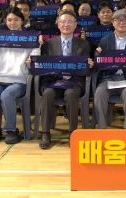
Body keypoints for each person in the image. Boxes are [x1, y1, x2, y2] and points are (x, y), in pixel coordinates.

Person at [0, 7, 41, 144]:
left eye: (16, 20)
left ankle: (11, 130)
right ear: (5, 21)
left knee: (6, 95)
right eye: (9, 20)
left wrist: (32, 60)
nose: (12, 23)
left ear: (22, 21)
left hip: (19, 80)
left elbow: (34, 59)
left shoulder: (31, 38)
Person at [39, 10, 92, 149]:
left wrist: (89, 64)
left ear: (75, 25)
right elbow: (44, 66)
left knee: (70, 93)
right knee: (47, 94)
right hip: (53, 81)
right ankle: (45, 133)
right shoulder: (48, 44)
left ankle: (72, 133)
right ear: (58, 24)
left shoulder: (84, 44)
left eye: (69, 22)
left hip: (74, 81)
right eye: (63, 21)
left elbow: (85, 67)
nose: (66, 24)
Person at [93, 9, 126, 129]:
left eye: (125, 20)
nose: (121, 22)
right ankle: (102, 128)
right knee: (99, 93)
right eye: (118, 20)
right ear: (113, 22)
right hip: (109, 78)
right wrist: (97, 55)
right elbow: (98, 62)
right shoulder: (105, 40)